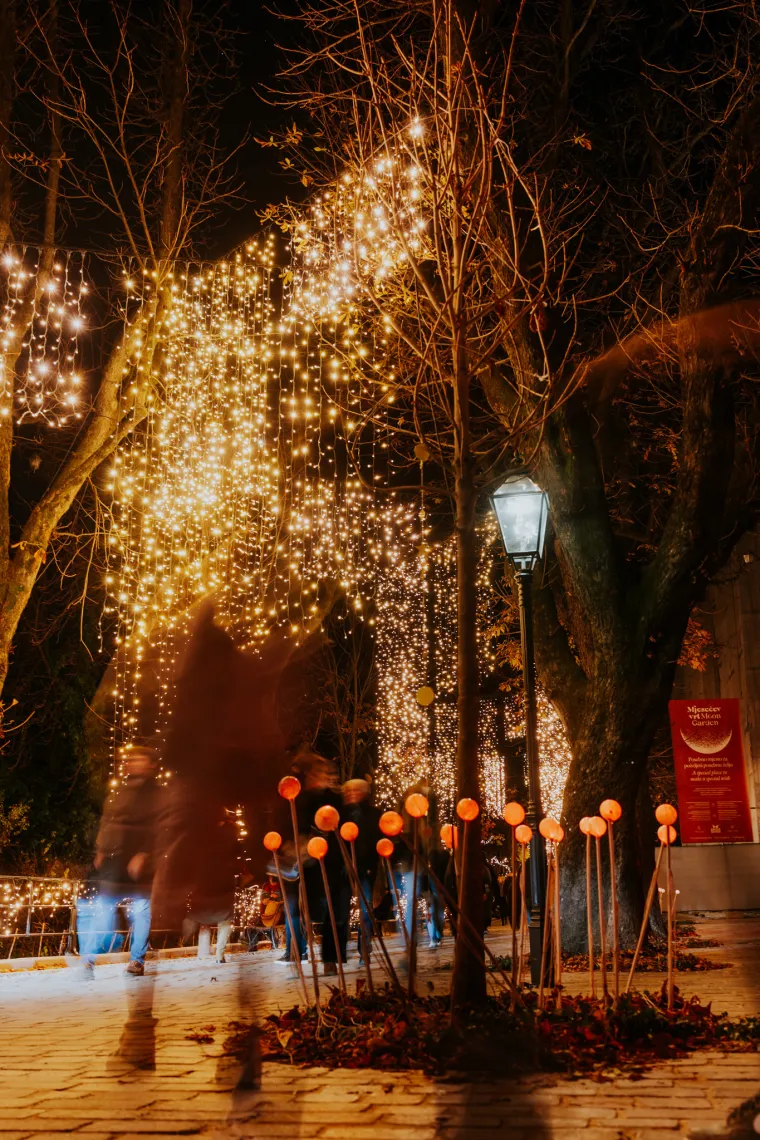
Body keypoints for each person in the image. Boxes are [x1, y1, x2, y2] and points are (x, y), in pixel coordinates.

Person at [79, 745, 162, 977]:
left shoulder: (156, 792)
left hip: (141, 863)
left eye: (139, 759)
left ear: (151, 764)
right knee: (104, 908)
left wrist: (144, 853)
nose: (132, 763)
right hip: (116, 860)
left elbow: (159, 827)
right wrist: (101, 850)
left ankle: (137, 960)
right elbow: (109, 820)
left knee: (141, 910)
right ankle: (89, 959)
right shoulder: (122, 789)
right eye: (130, 759)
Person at [341, 777, 380, 960]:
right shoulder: (340, 814)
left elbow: (375, 841)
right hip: (344, 868)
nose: (351, 794)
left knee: (365, 910)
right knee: (340, 909)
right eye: (348, 791)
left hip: (365, 868)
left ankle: (364, 948)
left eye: (356, 791)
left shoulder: (373, 815)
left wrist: (371, 865)